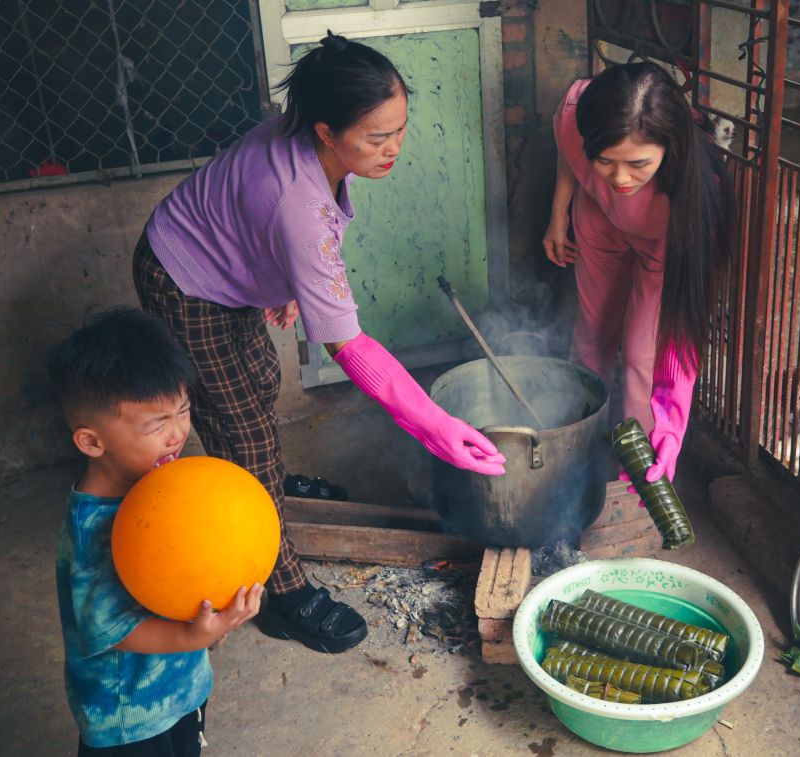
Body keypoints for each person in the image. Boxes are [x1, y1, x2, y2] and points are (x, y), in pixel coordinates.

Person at [133, 32, 506, 654]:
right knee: (241, 429)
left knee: (259, 381)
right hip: (185, 278)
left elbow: (287, 229)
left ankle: (268, 487)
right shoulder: (298, 205)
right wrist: (435, 425)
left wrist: (290, 284)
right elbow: (348, 346)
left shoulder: (308, 135)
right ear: (327, 132)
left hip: (228, 264)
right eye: (376, 137)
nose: (393, 148)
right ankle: (282, 592)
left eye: (400, 129)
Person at [50, 307, 263, 756]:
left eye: (182, 411)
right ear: (92, 441)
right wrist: (194, 637)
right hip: (129, 715)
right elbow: (109, 628)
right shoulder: (92, 527)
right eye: (156, 424)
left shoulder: (166, 489)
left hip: (181, 687)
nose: (177, 433)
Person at [542, 61, 734, 485]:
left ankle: (638, 481)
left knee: (642, 358)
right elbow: (567, 147)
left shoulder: (699, 195)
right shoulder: (578, 110)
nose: (620, 177)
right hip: (599, 220)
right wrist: (558, 216)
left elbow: (680, 335)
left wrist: (671, 426)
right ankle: (574, 456)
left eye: (639, 163)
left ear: (670, 146)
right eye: (604, 160)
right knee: (591, 336)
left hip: (664, 246)